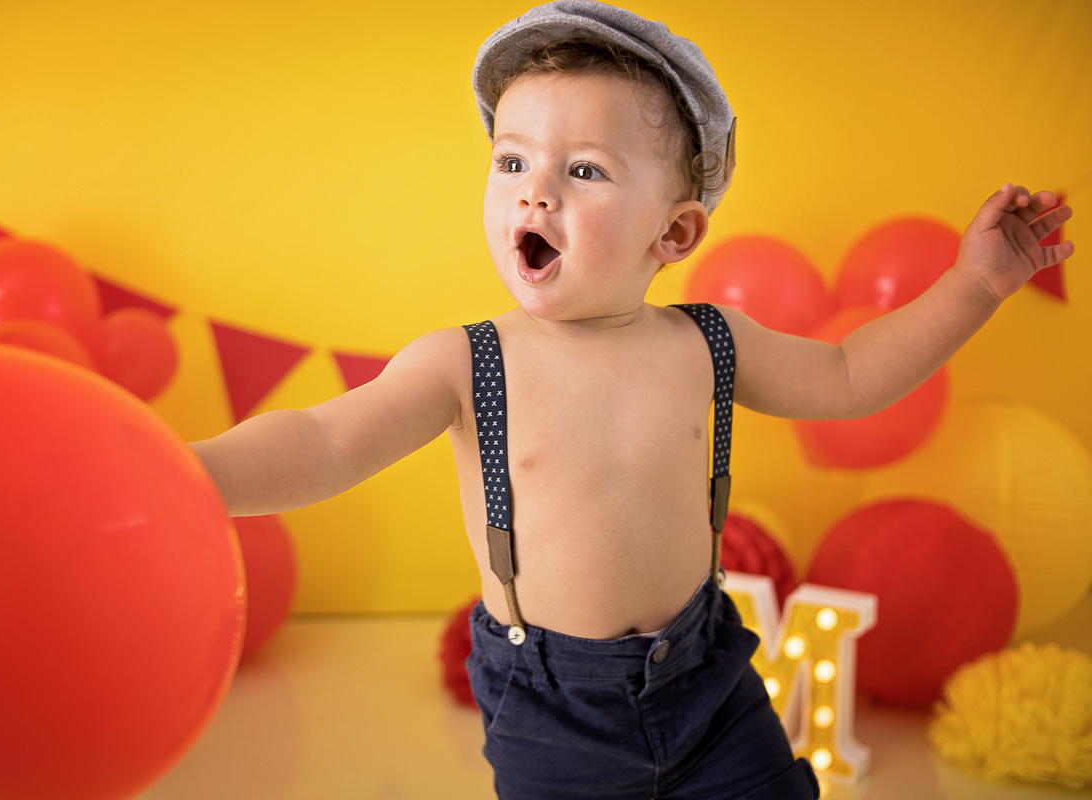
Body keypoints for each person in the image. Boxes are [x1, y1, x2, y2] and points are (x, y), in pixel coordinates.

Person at [190, 2, 1074, 797]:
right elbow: (324, 442)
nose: (535, 188)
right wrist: (185, 476)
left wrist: (974, 286)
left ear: (675, 231)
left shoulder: (708, 344)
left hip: (708, 678)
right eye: (512, 159)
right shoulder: (464, 362)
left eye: (584, 170)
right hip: (552, 705)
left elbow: (851, 374)